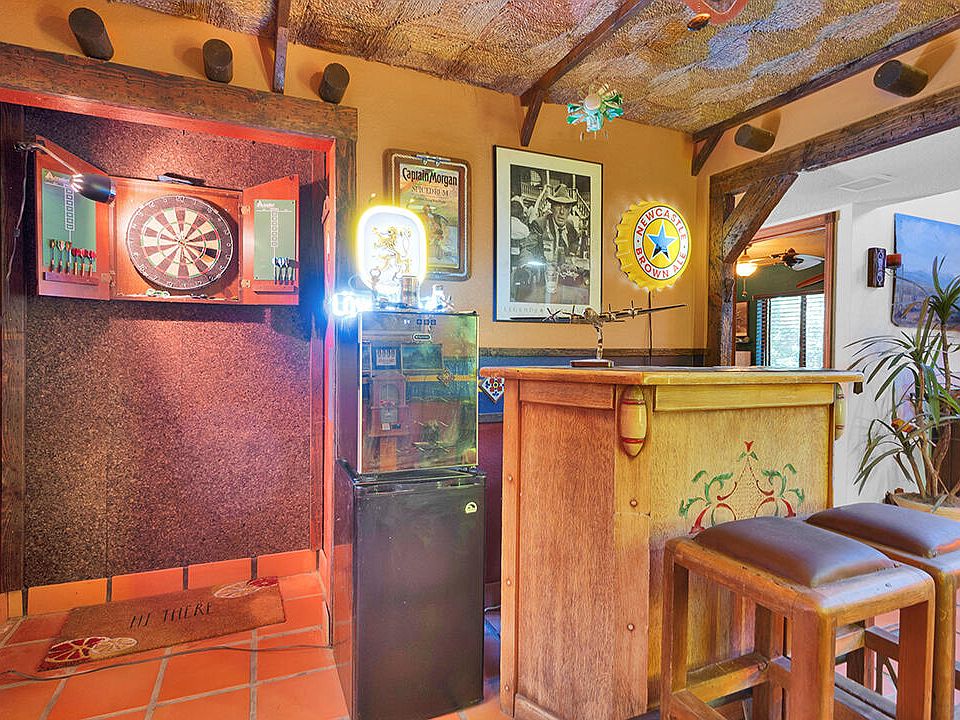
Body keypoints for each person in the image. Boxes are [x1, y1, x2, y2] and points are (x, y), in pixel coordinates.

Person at [534, 184, 584, 263]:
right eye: (558, 206)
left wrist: (571, 253)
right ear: (552, 208)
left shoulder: (569, 225)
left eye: (566, 208)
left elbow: (575, 239)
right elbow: (528, 250)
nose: (562, 212)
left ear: (569, 211)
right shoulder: (540, 224)